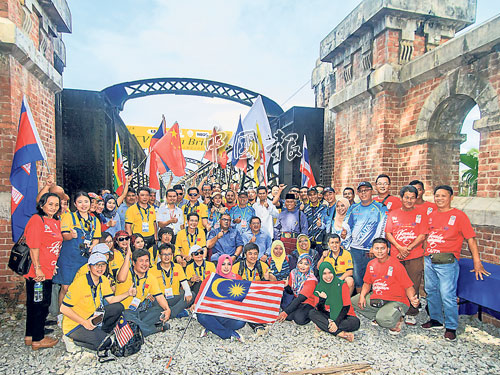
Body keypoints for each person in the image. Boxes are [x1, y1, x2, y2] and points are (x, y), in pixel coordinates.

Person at [422, 185, 489, 341]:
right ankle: (436, 319)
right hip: (430, 259)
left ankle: (451, 326)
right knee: (431, 290)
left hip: (447, 262)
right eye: (437, 196)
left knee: (447, 294)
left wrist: (477, 262)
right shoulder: (431, 215)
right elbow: (427, 236)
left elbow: (471, 239)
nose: (439, 199)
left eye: (443, 196)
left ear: (451, 198)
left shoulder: (459, 216)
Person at [60, 253, 135, 352]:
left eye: (103, 264)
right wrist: (84, 322)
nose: (100, 268)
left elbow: (111, 300)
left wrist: (128, 293)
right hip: (76, 324)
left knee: (118, 307)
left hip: (92, 317)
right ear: (89, 267)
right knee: (106, 343)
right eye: (96, 265)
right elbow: (63, 308)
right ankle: (72, 340)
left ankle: (100, 333)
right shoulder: (79, 283)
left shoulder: (103, 279)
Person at [352, 238, 419, 335]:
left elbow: (408, 286)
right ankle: (381, 313)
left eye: (382, 248)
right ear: (372, 250)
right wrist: (362, 296)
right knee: (354, 302)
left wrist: (413, 299)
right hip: (379, 297)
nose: (379, 251)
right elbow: (367, 283)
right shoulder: (371, 264)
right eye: (377, 248)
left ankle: (397, 318)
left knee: (384, 320)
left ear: (388, 250)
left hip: (396, 300)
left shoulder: (396, 265)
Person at [24, 193, 62, 350]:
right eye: (50, 204)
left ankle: (30, 335)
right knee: (40, 304)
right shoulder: (36, 220)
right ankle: (38, 340)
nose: (53, 207)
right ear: (41, 205)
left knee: (35, 304)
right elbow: (33, 245)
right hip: (38, 272)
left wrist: (53, 265)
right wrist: (38, 268)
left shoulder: (54, 221)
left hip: (48, 269)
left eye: (56, 204)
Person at [385, 185, 428, 325]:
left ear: (416, 198)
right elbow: (388, 233)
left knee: (413, 283)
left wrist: (407, 249)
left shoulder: (421, 214)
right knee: (395, 283)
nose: (409, 200)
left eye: (412, 198)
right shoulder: (393, 214)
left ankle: (411, 312)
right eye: (406, 197)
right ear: (401, 198)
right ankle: (396, 310)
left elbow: (422, 235)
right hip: (396, 255)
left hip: (414, 255)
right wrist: (399, 247)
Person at [54, 192, 101, 307]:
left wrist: (93, 245)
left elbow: (96, 238)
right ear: (75, 204)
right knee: (66, 287)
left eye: (86, 202)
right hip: (69, 258)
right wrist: (71, 235)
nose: (83, 205)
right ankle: (62, 315)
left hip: (85, 259)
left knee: (82, 287)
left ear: (90, 204)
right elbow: (64, 235)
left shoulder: (95, 221)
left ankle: (77, 312)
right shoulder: (69, 217)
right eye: (80, 202)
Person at [116, 248, 171, 336]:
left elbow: (159, 296)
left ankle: (138, 328)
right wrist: (127, 256)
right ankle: (151, 329)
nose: (144, 264)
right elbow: (121, 278)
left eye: (147, 261)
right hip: (125, 311)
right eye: (141, 261)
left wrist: (167, 309)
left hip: (140, 311)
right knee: (127, 317)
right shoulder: (126, 273)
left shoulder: (150, 277)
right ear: (134, 263)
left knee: (160, 309)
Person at [343, 182, 387, 292]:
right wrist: (344, 232)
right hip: (356, 249)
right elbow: (347, 224)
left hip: (371, 250)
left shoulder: (380, 207)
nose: (363, 193)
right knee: (358, 278)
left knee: (373, 277)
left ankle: (372, 304)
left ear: (371, 191)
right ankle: (359, 304)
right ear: (357, 193)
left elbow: (382, 227)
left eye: (366, 190)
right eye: (361, 191)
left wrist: (375, 247)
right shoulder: (353, 208)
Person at [197, 255, 246, 341]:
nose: (226, 267)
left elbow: (241, 298)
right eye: (223, 264)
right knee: (201, 316)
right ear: (219, 265)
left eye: (228, 264)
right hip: (214, 313)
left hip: (229, 315)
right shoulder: (211, 277)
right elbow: (201, 293)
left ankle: (212, 327)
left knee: (241, 322)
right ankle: (228, 334)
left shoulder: (237, 278)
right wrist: (195, 304)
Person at [309, 262, 360, 341]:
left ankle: (325, 326)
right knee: (312, 313)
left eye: (330, 272)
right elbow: (319, 309)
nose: (328, 276)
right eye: (324, 273)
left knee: (355, 323)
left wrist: (336, 323)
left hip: (344, 315)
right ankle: (340, 333)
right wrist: (322, 299)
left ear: (333, 272)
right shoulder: (319, 288)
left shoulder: (342, 285)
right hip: (328, 314)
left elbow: (346, 307)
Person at [233, 243, 274, 335]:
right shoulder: (237, 267)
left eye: (255, 253)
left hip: (257, 296)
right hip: (243, 296)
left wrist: (269, 277)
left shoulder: (262, 265)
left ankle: (258, 323)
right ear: (245, 254)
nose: (253, 256)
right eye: (250, 253)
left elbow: (274, 281)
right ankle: (257, 326)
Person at [150, 243, 192, 318]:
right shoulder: (152, 270)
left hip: (175, 297)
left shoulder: (178, 267)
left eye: (169, 254)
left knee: (192, 294)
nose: (167, 257)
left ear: (172, 255)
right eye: (164, 254)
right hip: (161, 299)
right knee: (154, 302)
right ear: (159, 256)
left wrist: (188, 292)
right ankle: (176, 311)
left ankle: (170, 313)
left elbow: (184, 283)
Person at [277, 254, 318, 325]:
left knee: (299, 320)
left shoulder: (311, 279)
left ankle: (312, 313)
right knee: (288, 316)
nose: (302, 266)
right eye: (300, 263)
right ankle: (297, 311)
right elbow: (290, 291)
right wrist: (286, 286)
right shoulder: (294, 273)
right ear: (297, 263)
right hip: (297, 300)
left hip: (309, 302)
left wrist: (286, 312)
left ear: (310, 266)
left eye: (306, 264)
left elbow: (301, 298)